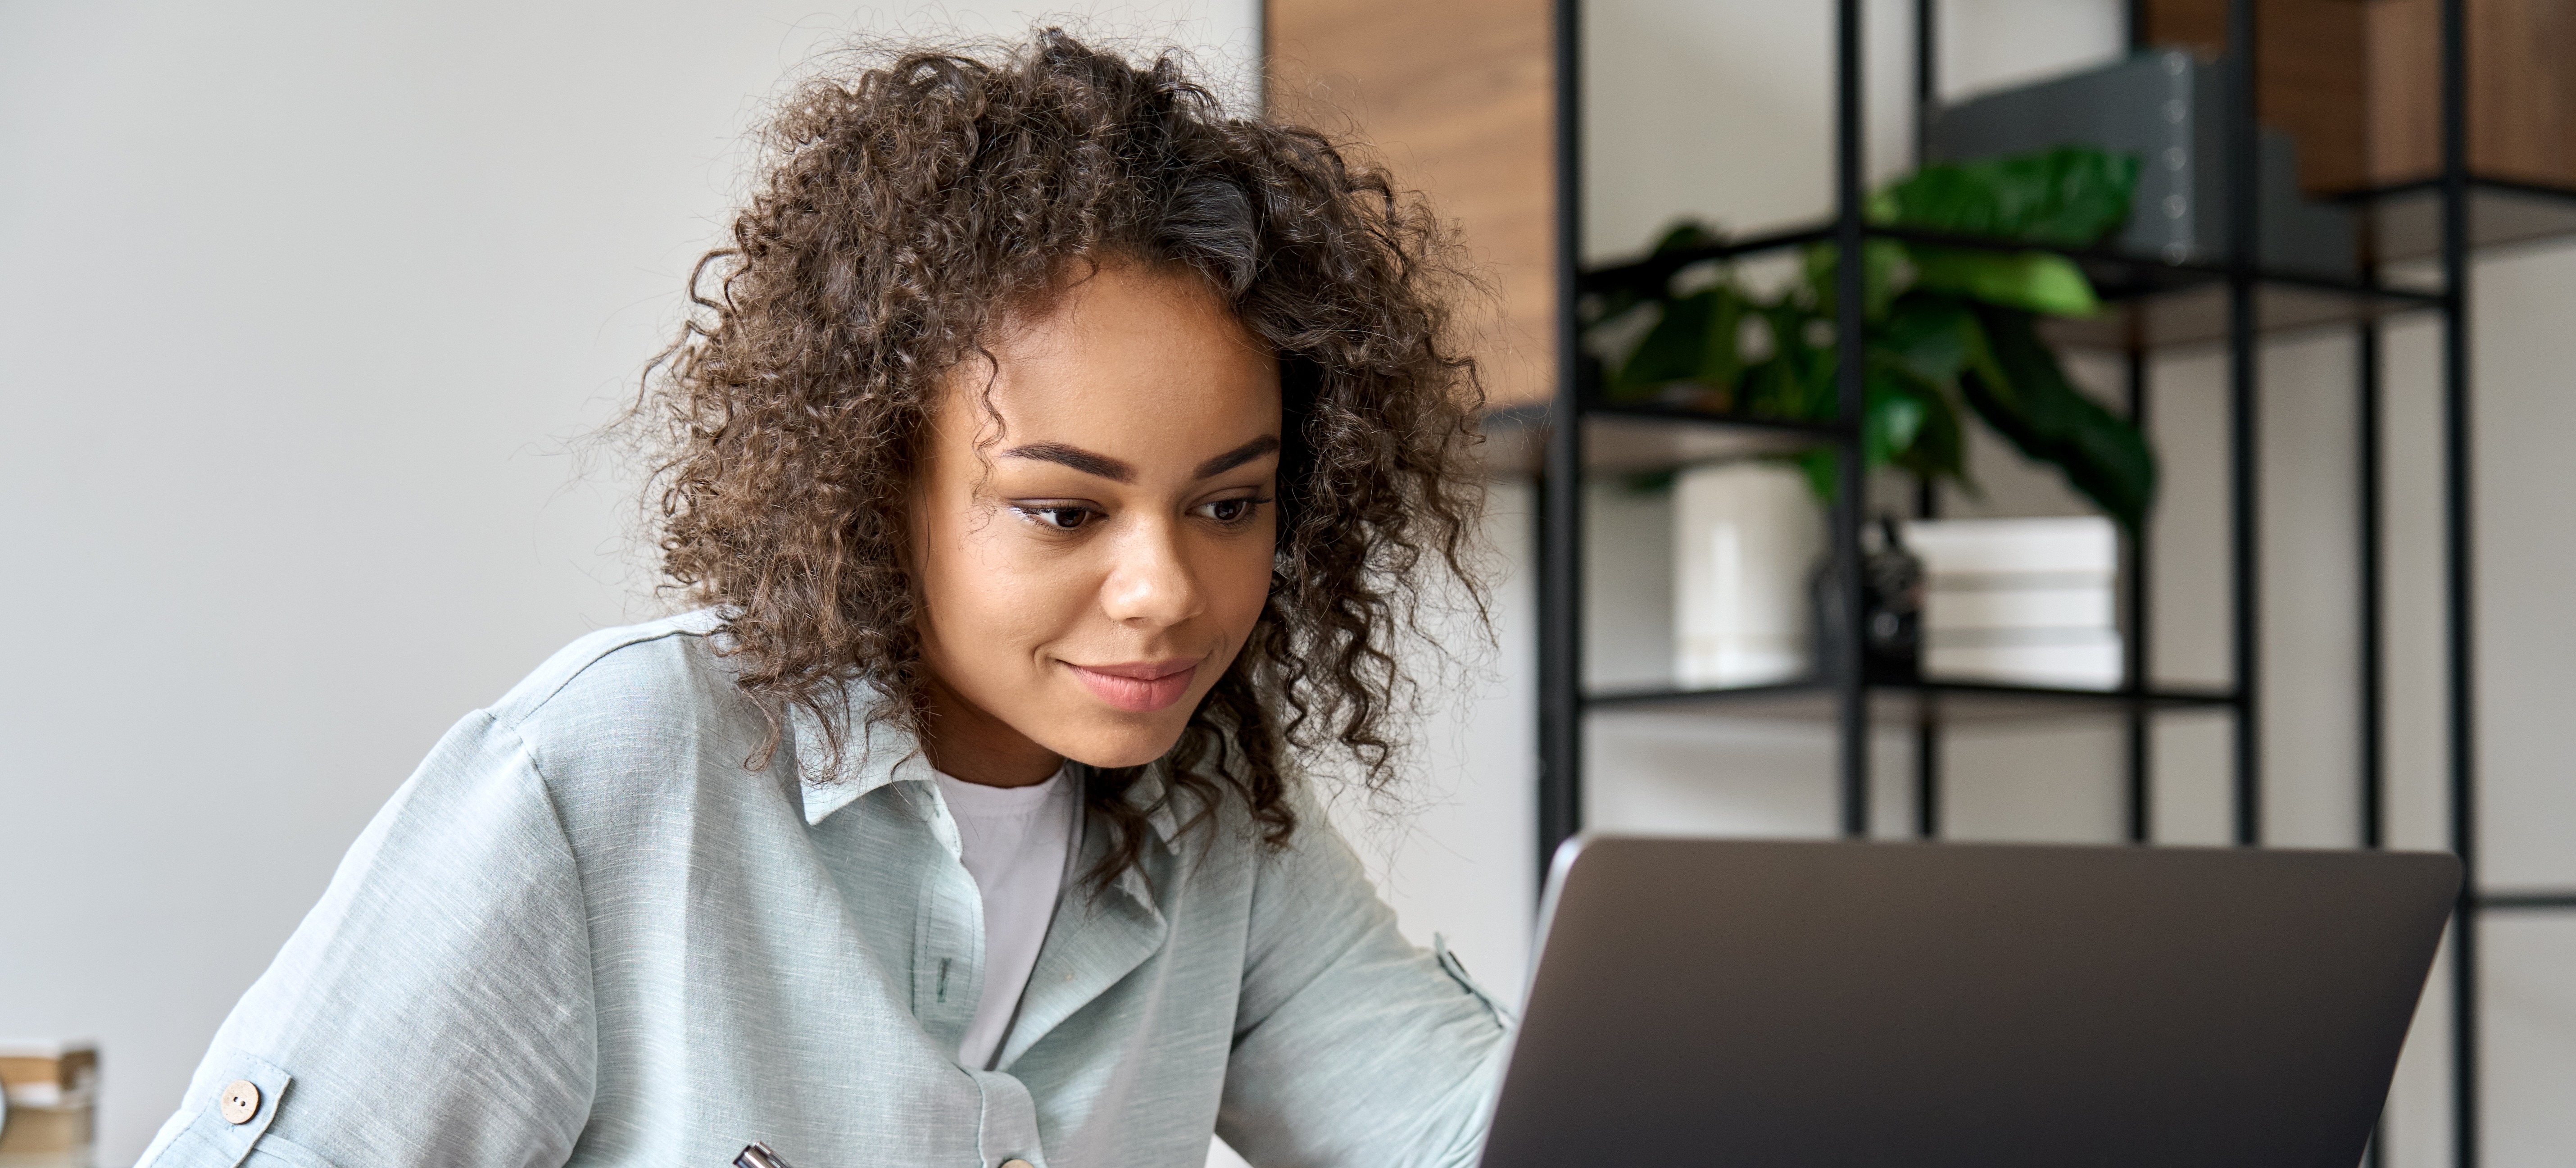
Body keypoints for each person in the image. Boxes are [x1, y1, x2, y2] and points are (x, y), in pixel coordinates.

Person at [136, 28, 1508, 1168]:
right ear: (880, 484)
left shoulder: (1220, 812)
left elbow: (1472, 1139)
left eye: (1228, 505)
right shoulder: (617, 766)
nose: (1164, 592)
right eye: (1064, 511)